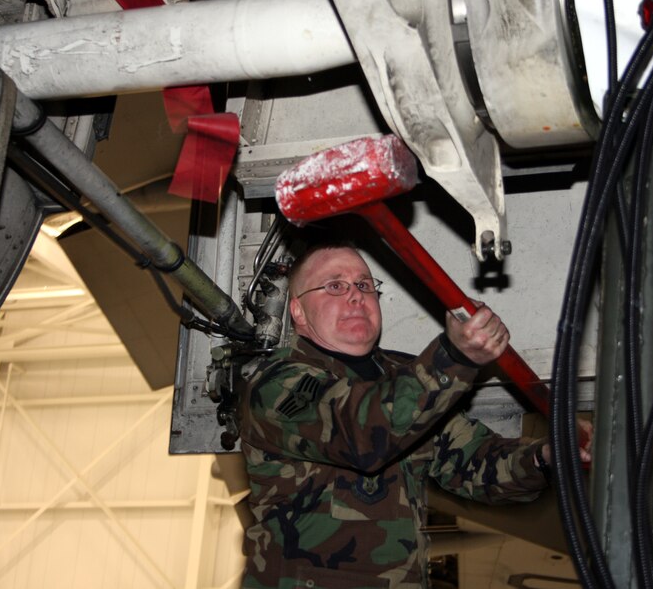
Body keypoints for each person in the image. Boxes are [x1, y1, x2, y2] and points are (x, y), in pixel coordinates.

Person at [239, 242, 591, 589]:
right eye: (335, 286)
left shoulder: (401, 374)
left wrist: (547, 457)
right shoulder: (277, 384)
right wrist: (455, 356)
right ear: (298, 311)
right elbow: (364, 433)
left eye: (364, 285)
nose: (355, 296)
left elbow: (475, 463)